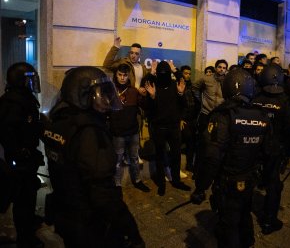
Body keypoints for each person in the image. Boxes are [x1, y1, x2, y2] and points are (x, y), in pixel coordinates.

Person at [42, 66, 145, 248]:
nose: (106, 101)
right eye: (100, 95)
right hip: (88, 221)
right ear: (83, 96)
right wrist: (130, 230)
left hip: (65, 212)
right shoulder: (89, 132)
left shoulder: (59, 122)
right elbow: (103, 194)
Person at [190, 68, 271, 248]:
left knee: (229, 222)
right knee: (244, 212)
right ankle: (248, 241)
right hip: (250, 179)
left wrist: (201, 187)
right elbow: (268, 151)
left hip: (228, 181)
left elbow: (212, 157)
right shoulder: (262, 115)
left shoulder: (223, 116)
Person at [252, 65, 290, 234]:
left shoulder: (255, 97)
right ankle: (268, 221)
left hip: (253, 146)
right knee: (274, 185)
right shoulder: (284, 100)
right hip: (274, 149)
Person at [0, 62, 44, 247]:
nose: (33, 83)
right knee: (23, 199)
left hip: (26, 157)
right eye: (29, 79)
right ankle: (26, 239)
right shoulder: (13, 102)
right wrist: (20, 152)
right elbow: (7, 131)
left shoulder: (22, 98)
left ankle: (28, 222)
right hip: (20, 160)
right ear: (21, 81)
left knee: (29, 194)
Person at [144, 61, 191, 196]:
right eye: (160, 74)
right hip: (159, 127)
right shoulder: (153, 85)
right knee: (159, 156)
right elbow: (149, 109)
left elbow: (184, 104)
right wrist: (152, 97)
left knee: (175, 155)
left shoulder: (176, 85)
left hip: (173, 127)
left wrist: (181, 94)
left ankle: (176, 181)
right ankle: (161, 183)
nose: (163, 76)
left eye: (166, 73)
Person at [110, 64, 150, 192]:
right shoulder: (110, 91)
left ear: (128, 76)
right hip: (118, 133)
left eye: (125, 75)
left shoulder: (133, 91)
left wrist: (147, 95)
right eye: (120, 75)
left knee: (134, 158)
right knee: (117, 160)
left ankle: (137, 181)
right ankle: (117, 184)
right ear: (116, 75)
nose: (122, 78)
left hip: (132, 131)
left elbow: (144, 106)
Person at [180, 65, 199, 172]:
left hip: (193, 118)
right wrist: (180, 118)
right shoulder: (178, 85)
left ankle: (190, 164)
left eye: (189, 73)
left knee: (191, 142)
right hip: (183, 119)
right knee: (183, 141)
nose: (188, 75)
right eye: (185, 73)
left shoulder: (193, 86)